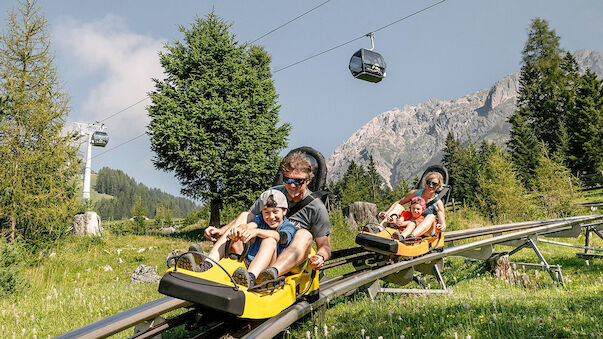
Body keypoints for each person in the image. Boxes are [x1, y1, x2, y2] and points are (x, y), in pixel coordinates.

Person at [189, 151, 331, 284]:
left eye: (298, 181)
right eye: (288, 180)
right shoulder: (272, 194)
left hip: (290, 259)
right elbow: (250, 217)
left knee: (304, 234)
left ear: (307, 180)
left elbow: (324, 246)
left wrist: (320, 257)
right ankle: (207, 264)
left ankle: (271, 274)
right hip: (259, 253)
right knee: (245, 215)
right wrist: (222, 230)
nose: (292, 185)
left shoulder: (316, 208)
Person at [226, 189, 296, 287]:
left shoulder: (288, 226)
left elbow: (280, 237)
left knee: (270, 241)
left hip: (268, 268)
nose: (271, 217)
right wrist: (242, 228)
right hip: (248, 262)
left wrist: (257, 232)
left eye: (275, 212)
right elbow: (252, 225)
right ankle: (229, 264)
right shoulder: (260, 220)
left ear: (284, 211)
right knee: (240, 235)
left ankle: (250, 278)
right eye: (266, 212)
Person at [380, 171, 446, 238]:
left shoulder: (438, 202)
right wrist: (387, 213)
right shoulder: (415, 193)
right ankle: (379, 228)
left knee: (431, 216)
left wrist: (441, 227)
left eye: (434, 184)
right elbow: (398, 202)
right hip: (410, 224)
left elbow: (443, 224)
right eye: (429, 182)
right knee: (399, 207)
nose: (431, 186)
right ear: (425, 183)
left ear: (439, 185)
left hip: (425, 229)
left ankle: (412, 236)